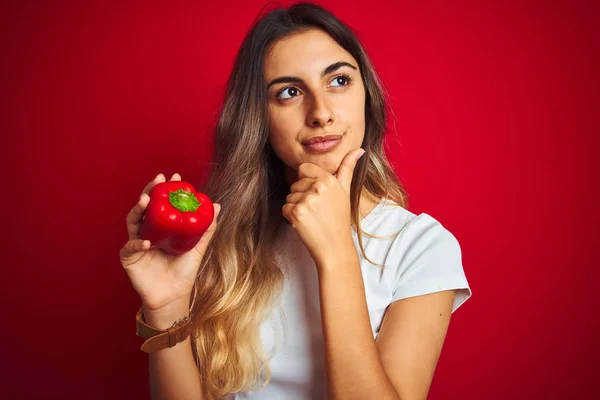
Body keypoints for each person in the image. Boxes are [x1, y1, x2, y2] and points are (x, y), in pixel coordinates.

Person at [120, 2, 472, 399]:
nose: (321, 113)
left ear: (367, 96)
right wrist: (166, 307)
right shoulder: (218, 240)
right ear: (259, 117)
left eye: (338, 81)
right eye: (289, 92)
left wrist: (337, 253)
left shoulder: (421, 246)